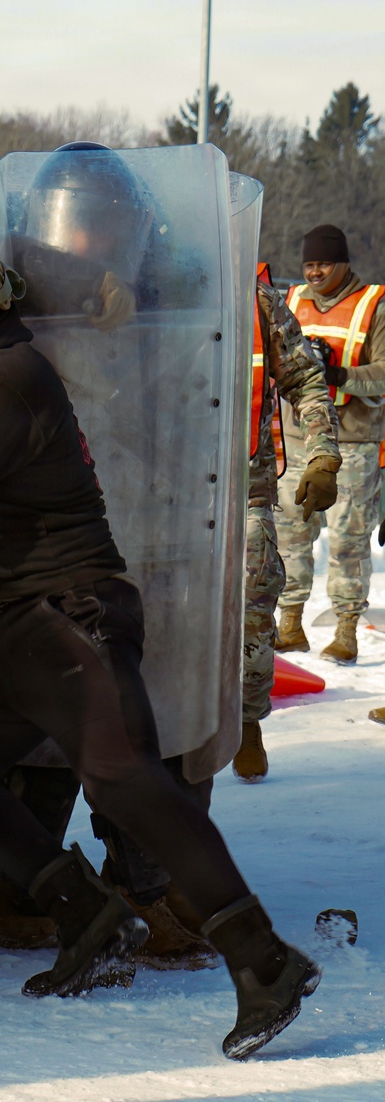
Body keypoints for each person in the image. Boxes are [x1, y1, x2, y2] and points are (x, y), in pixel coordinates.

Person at [0, 229, 320, 1060]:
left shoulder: (8, 380)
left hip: (72, 616)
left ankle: (265, 961)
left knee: (130, 784)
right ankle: (89, 914)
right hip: (23, 625)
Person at [234, 264, 340, 779]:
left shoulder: (256, 301)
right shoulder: (129, 291)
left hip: (243, 486)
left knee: (254, 597)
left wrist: (323, 453)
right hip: (153, 490)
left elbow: (305, 379)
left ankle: (246, 719)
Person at [275, 225, 385, 664]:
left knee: (348, 539)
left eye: (323, 263)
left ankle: (346, 630)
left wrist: (340, 375)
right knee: (290, 533)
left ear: (343, 263)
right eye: (309, 264)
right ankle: (289, 623)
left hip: (354, 440)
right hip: (298, 437)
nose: (315, 272)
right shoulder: (290, 300)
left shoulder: (373, 305)